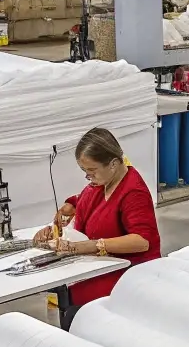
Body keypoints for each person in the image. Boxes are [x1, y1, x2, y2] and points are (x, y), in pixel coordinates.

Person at [33, 127, 160, 327]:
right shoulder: (102, 183)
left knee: (78, 320)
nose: (88, 177)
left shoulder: (133, 193)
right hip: (96, 273)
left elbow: (142, 241)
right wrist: (70, 207)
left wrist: (89, 246)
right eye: (85, 172)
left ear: (114, 164)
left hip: (126, 280)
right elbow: (87, 200)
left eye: (91, 171)